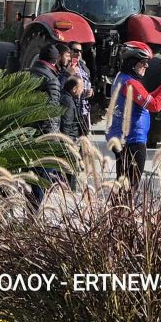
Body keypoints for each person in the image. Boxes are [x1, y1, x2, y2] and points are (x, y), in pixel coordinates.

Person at [105, 42, 161, 189]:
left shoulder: (122, 78)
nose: (147, 66)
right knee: (131, 187)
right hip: (133, 140)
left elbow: (146, 99)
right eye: (143, 62)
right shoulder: (131, 84)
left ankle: (119, 210)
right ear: (132, 63)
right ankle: (123, 210)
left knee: (123, 184)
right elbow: (155, 105)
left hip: (121, 138)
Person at [27, 44, 64, 206]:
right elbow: (52, 113)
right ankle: (33, 213)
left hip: (28, 132)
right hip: (45, 136)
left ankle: (30, 210)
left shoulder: (29, 73)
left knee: (33, 177)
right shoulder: (51, 80)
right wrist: (53, 139)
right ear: (55, 60)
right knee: (42, 178)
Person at [66, 43, 93, 134]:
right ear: (69, 51)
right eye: (76, 51)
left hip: (84, 108)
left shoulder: (83, 66)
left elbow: (89, 82)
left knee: (84, 137)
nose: (79, 54)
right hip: (72, 106)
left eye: (80, 51)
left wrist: (91, 91)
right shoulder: (65, 66)